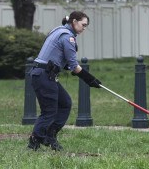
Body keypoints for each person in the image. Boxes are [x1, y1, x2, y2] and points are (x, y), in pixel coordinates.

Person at [27, 11, 102, 151]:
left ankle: (50, 135)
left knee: (65, 103)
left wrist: (64, 65)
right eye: (83, 25)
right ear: (74, 21)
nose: (84, 28)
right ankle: (34, 142)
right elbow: (74, 66)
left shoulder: (58, 30)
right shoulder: (68, 37)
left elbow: (58, 55)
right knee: (49, 111)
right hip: (44, 74)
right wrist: (90, 79)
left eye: (86, 26)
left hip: (43, 73)